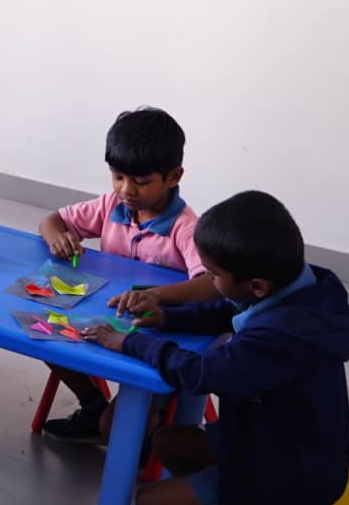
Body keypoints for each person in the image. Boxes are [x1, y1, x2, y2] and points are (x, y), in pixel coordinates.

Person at [84, 191, 349, 505]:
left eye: (212, 274)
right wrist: (166, 318)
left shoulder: (281, 338)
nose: (207, 282)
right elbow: (226, 310)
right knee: (171, 442)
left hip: (287, 478)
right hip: (278, 444)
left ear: (257, 285)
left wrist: (132, 342)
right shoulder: (301, 289)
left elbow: (201, 374)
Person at [38, 108, 219, 444]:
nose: (126, 190)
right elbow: (52, 221)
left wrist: (157, 296)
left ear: (174, 176)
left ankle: (150, 426)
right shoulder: (112, 205)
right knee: (42, 334)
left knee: (115, 431)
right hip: (106, 316)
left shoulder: (186, 227)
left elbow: (211, 285)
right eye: (118, 176)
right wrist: (57, 238)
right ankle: (92, 404)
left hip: (157, 332)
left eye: (141, 181)